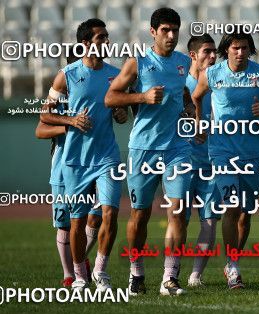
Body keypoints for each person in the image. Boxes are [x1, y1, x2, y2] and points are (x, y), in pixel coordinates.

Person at [104, 8, 192, 296]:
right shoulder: (137, 62)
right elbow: (110, 97)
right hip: (143, 150)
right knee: (140, 214)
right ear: (153, 32)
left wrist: (191, 110)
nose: (171, 35)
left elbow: (184, 93)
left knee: (177, 212)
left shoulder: (183, 62)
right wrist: (141, 96)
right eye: (165, 30)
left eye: (175, 30)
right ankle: (136, 272)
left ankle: (170, 277)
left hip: (178, 149)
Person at [40, 18, 127, 291]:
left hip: (107, 156)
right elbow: (45, 114)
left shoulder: (116, 75)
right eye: (101, 37)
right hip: (75, 160)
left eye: (107, 36)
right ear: (86, 44)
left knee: (110, 212)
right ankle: (78, 276)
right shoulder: (66, 75)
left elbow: (122, 114)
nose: (106, 42)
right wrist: (71, 121)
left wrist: (121, 114)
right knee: (76, 221)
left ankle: (100, 271)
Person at [191, 31, 259, 289]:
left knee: (245, 214)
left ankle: (232, 260)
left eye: (245, 48)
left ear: (250, 50)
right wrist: (199, 123)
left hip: (253, 152)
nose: (240, 52)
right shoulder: (213, 74)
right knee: (231, 205)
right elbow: (196, 96)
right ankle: (233, 265)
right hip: (222, 151)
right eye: (235, 47)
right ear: (227, 50)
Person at [184, 34, 220, 287]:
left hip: (211, 162)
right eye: (207, 51)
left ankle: (196, 276)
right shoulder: (180, 84)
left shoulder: (219, 84)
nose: (213, 56)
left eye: (214, 51)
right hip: (183, 162)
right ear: (193, 55)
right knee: (179, 220)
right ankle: (170, 274)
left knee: (209, 220)